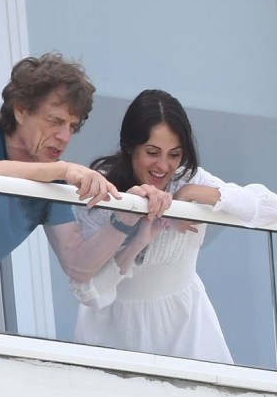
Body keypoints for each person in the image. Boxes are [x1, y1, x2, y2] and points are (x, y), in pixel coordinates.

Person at [0, 54, 171, 328]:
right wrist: (62, 170)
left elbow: (78, 266)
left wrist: (126, 218)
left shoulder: (52, 180)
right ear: (21, 109)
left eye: (72, 127)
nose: (64, 137)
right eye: (55, 121)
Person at [70, 89, 277, 363]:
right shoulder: (103, 190)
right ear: (130, 146)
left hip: (187, 327)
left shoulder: (186, 179)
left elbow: (269, 207)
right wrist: (136, 229)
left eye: (175, 154)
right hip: (115, 331)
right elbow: (90, 292)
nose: (163, 166)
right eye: (152, 152)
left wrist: (191, 195)